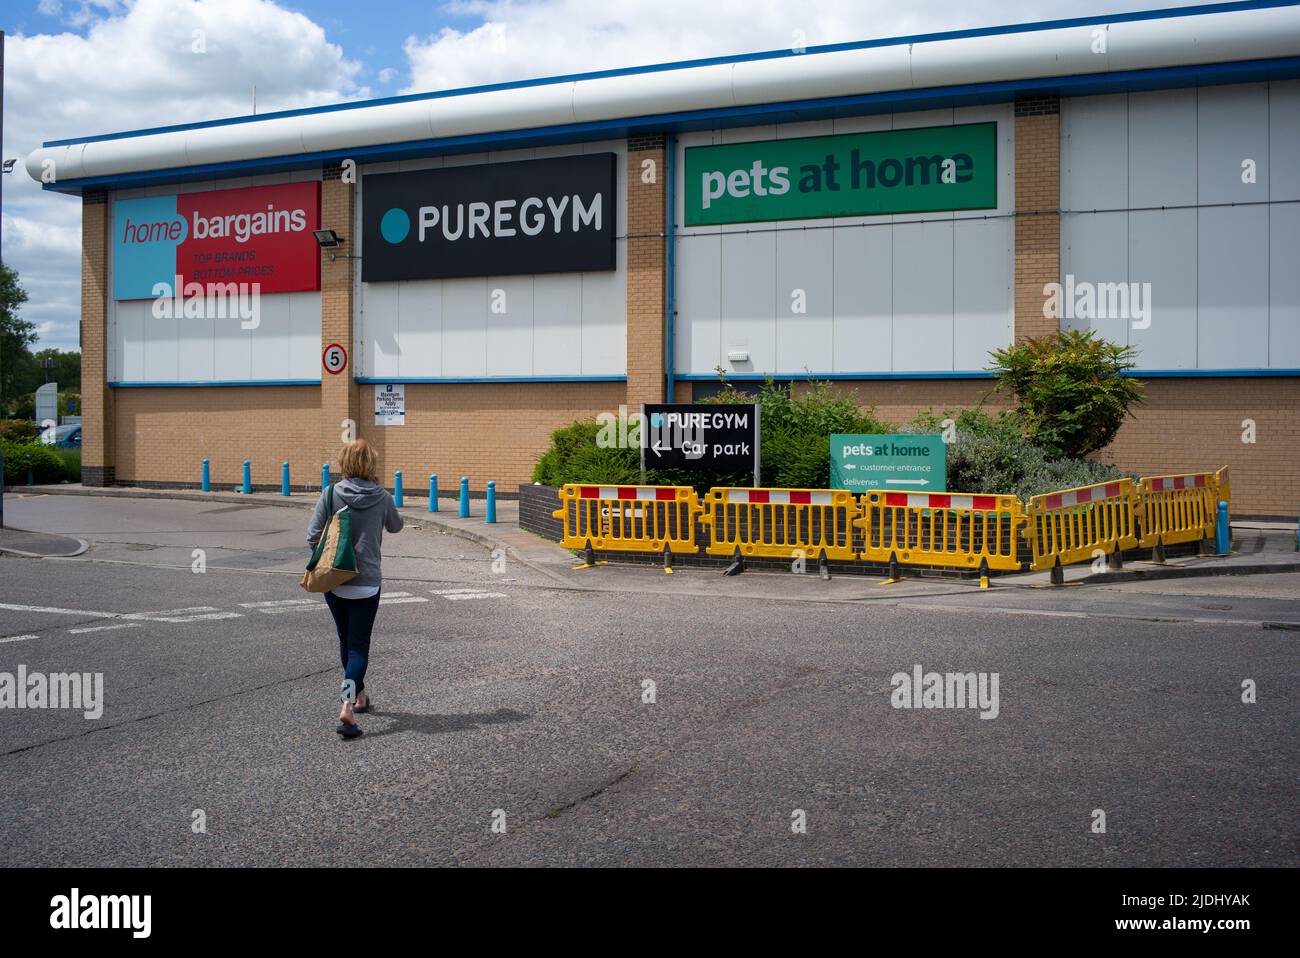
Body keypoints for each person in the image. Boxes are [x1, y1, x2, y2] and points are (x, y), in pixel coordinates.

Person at [306, 439, 404, 738]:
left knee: (345, 642)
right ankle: (348, 705)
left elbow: (312, 536)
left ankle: (359, 697)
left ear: (344, 463)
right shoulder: (382, 496)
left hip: (335, 581)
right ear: (370, 465)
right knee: (359, 647)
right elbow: (396, 526)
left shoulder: (331, 493)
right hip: (367, 583)